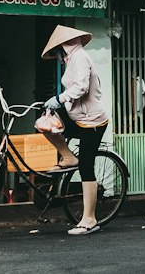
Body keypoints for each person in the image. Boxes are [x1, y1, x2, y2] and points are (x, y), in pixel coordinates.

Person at [40, 23, 109, 235]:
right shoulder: (71, 60)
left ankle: (89, 219)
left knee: (86, 167)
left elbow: (81, 87)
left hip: (93, 122)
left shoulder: (80, 58)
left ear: (63, 47)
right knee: (44, 125)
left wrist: (59, 98)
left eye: (56, 52)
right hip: (77, 116)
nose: (57, 56)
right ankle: (68, 157)